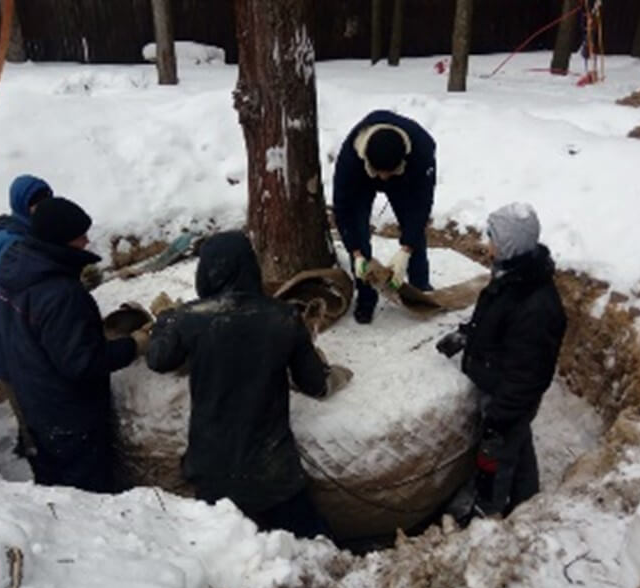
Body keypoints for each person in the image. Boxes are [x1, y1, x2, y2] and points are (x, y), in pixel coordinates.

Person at [147, 231, 341, 539]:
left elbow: (159, 359)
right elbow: (314, 382)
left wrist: (165, 319)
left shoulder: (189, 319)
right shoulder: (283, 317)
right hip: (272, 470)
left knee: (221, 549)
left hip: (212, 470)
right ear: (251, 267)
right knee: (314, 543)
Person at [0, 196, 149, 492]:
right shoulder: (60, 293)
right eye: (79, 236)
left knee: (53, 479)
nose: (87, 241)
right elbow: (83, 363)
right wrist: (134, 344)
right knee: (85, 491)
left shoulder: (14, 270)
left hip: (36, 399)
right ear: (59, 239)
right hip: (69, 414)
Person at [436, 203, 566, 519]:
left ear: (508, 244)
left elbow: (528, 372)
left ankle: (488, 513)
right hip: (502, 388)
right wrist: (467, 335)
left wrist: (501, 416)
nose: (487, 242)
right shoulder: (513, 277)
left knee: (494, 460)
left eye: (492, 236)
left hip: (508, 399)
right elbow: (495, 321)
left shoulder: (536, 306)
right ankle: (527, 499)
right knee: (518, 446)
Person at [333, 109, 437, 324]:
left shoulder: (422, 150)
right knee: (358, 230)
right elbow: (344, 209)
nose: (383, 178)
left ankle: (420, 289)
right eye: (379, 173)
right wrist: (356, 251)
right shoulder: (349, 160)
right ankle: (366, 297)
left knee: (412, 226)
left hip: (405, 177)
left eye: (389, 173)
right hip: (362, 178)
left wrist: (406, 249)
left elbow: (421, 204)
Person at [0, 174, 53, 378]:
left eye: (47, 199)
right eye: (36, 202)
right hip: (9, 330)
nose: (43, 206)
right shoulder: (11, 244)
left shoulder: (27, 231)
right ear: (22, 205)